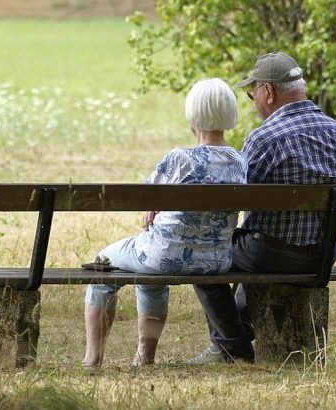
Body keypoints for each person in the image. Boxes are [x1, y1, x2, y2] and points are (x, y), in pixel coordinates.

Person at [187, 52, 336, 364]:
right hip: (322, 255)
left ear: (268, 91)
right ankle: (237, 332)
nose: (254, 102)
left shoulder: (265, 138)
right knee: (252, 243)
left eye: (253, 94)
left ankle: (232, 346)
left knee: (202, 252)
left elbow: (233, 198)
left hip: (272, 254)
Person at [82, 78, 248, 367]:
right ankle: (144, 357)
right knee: (150, 273)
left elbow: (146, 196)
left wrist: (153, 208)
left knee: (102, 264)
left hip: (163, 256)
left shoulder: (179, 158)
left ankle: (92, 359)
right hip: (215, 260)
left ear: (192, 115)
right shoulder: (239, 161)